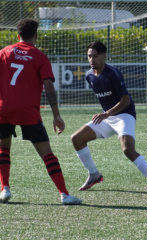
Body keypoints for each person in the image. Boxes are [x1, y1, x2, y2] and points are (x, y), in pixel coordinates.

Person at [0, 19, 82, 205]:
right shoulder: (39, 57)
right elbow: (48, 87)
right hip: (28, 111)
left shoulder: (4, 52)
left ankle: (5, 189)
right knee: (47, 153)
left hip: (4, 108)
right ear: (36, 35)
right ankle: (64, 194)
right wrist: (56, 115)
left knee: (3, 148)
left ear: (17, 35)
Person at [71, 41, 147, 193]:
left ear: (104, 56)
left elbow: (125, 100)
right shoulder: (89, 75)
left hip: (124, 115)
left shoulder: (113, 73)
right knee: (76, 138)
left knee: (127, 149)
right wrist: (106, 115)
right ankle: (94, 174)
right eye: (89, 56)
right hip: (107, 118)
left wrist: (106, 113)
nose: (92, 60)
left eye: (95, 56)